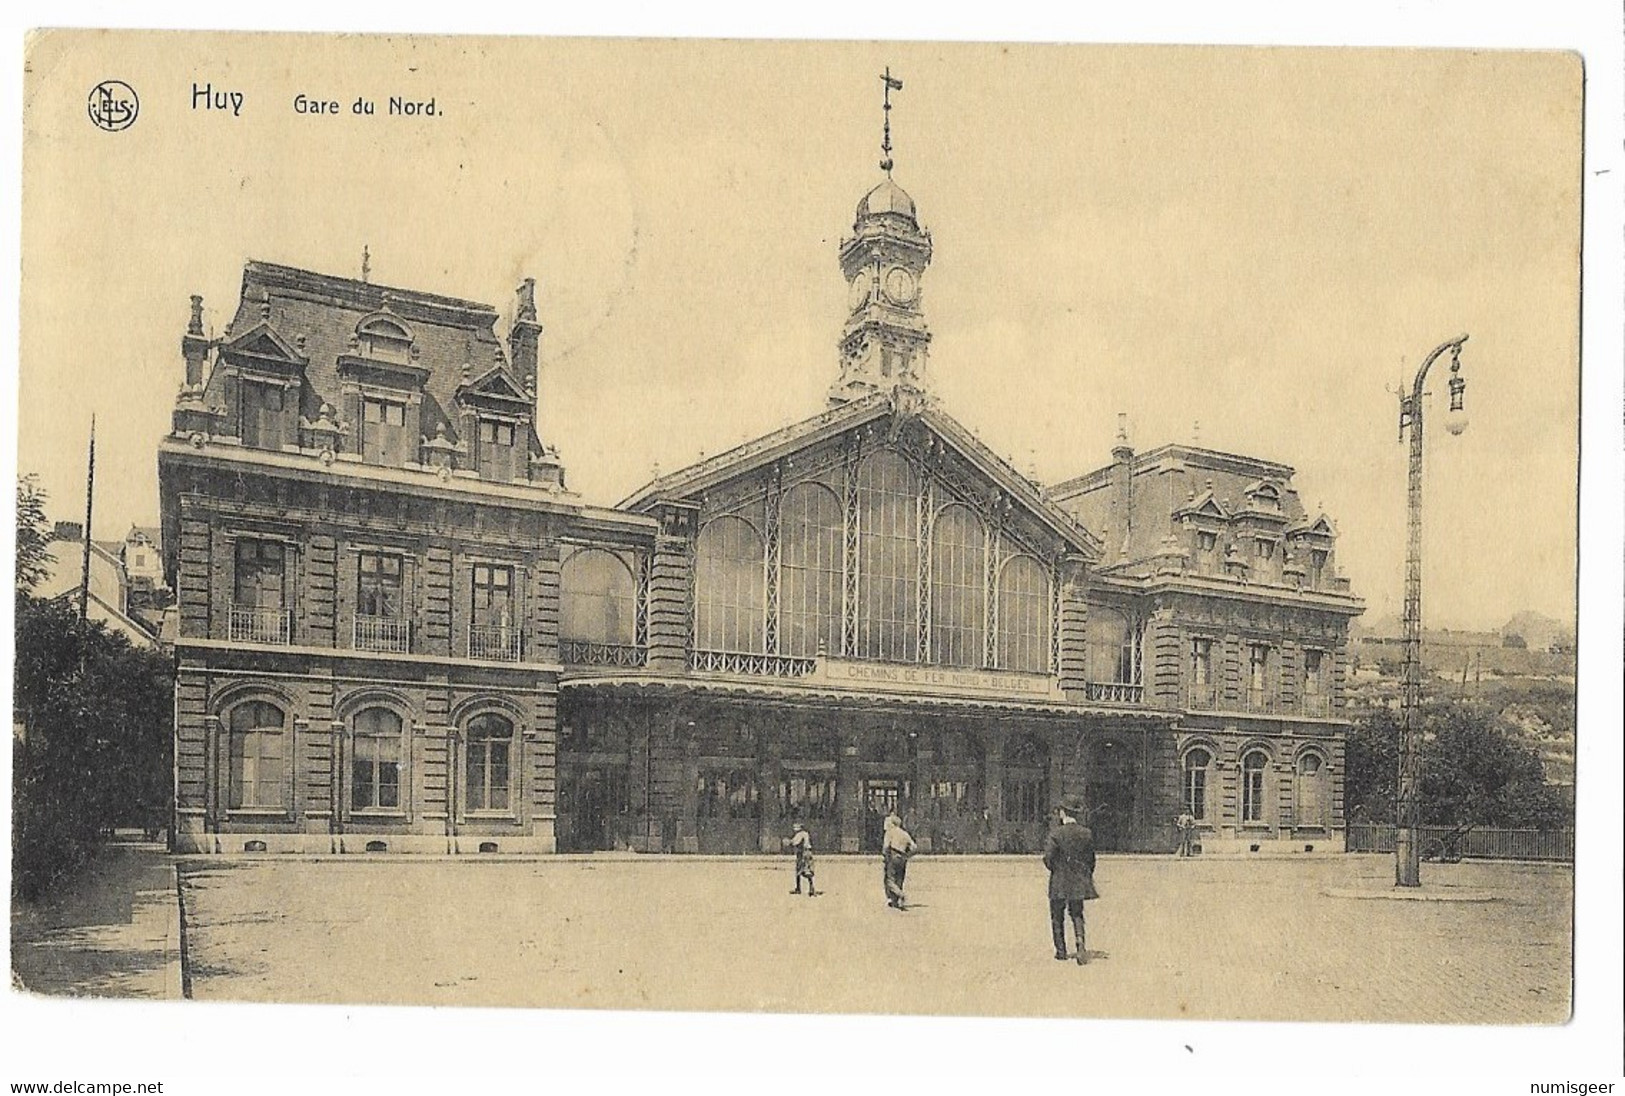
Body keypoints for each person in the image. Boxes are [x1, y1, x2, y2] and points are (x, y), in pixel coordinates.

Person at [1042, 794, 1099, 964]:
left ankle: (1061, 951)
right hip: (1078, 881)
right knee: (1077, 914)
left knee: (1057, 915)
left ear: (1062, 813)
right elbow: (1091, 860)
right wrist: (1084, 874)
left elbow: (1048, 858)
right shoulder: (1086, 833)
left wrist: (1056, 870)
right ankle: (1080, 945)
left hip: (1059, 881)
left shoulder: (1056, 834)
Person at [881, 812, 916, 909]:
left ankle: (900, 894)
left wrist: (885, 856)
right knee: (900, 879)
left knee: (889, 879)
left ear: (892, 823)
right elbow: (914, 847)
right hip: (903, 857)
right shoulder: (904, 833)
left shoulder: (890, 832)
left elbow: (886, 846)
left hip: (893, 855)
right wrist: (908, 855)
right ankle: (896, 902)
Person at [789, 821, 819, 897]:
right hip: (808, 853)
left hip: (803, 853)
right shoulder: (805, 833)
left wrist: (789, 842)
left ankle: (800, 889)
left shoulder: (800, 834)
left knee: (800, 870)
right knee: (807, 870)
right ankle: (811, 889)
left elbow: (796, 842)